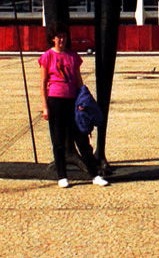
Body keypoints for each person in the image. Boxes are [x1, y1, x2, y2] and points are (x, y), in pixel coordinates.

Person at [39, 29, 108, 188]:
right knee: (58, 140)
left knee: (82, 139)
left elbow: (78, 80)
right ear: (53, 39)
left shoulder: (73, 57)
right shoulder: (47, 57)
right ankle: (62, 176)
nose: (61, 40)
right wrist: (44, 107)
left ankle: (94, 174)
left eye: (63, 36)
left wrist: (84, 101)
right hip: (55, 101)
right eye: (58, 37)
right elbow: (43, 83)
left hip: (73, 101)